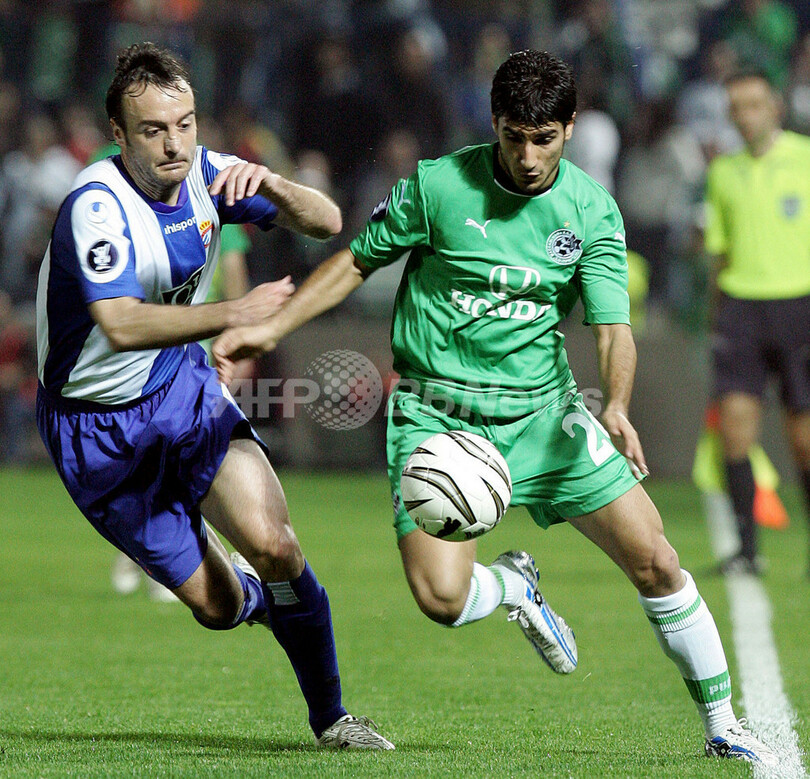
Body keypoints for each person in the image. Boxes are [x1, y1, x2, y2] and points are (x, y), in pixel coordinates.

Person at [214, 50, 777, 766]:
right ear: (495, 125)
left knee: (656, 558)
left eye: (545, 137)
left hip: (546, 416)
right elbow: (358, 258)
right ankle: (517, 585)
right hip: (437, 418)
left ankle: (722, 722)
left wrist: (620, 406)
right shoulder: (440, 185)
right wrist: (270, 325)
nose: (530, 154)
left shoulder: (590, 210)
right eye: (516, 136)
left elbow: (611, 328)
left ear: (570, 129)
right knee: (441, 599)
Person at [35, 42, 393, 750]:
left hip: (179, 387)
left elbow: (325, 220)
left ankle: (333, 719)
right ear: (118, 133)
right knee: (216, 605)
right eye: (153, 129)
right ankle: (259, 600)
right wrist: (234, 312)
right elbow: (121, 321)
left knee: (276, 544)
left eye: (186, 123)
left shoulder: (210, 174)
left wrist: (278, 187)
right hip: (94, 432)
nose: (175, 143)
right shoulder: (95, 206)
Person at [704, 69, 810, 576]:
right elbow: (718, 255)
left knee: (804, 439)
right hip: (742, 308)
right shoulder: (723, 172)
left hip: (801, 307)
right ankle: (747, 551)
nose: (745, 115)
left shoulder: (806, 159)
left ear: (775, 108)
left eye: (754, 104)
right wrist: (714, 316)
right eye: (737, 107)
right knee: (735, 432)